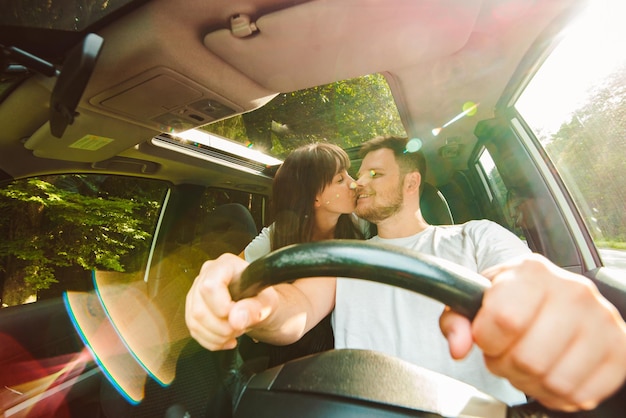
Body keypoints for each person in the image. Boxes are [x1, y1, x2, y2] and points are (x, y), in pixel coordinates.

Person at [185, 136, 626, 412]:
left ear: (411, 184)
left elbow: (522, 275)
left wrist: (551, 308)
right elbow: (294, 309)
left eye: (375, 173)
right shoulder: (344, 254)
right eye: (357, 174)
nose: (359, 183)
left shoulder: (475, 236)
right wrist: (252, 306)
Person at [239, 142, 369, 367]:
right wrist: (251, 317)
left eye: (348, 175)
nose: (353, 183)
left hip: (349, 346)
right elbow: (237, 275)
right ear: (314, 198)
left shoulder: (361, 223)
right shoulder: (275, 236)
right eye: (340, 180)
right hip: (291, 355)